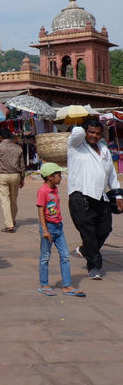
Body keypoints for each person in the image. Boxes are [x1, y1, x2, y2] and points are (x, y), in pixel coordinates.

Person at [67, 118, 123, 279]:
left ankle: (85, 250)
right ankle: (94, 266)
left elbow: (111, 174)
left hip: (101, 197)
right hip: (80, 196)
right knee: (89, 233)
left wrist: (118, 194)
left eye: (98, 133)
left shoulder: (104, 149)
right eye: (91, 132)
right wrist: (83, 123)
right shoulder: (76, 145)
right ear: (85, 132)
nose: (95, 136)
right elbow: (76, 133)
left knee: (106, 228)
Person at [36, 162, 86, 297]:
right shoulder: (43, 191)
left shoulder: (55, 190)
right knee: (45, 257)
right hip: (48, 227)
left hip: (59, 227)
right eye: (58, 175)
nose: (61, 177)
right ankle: (44, 284)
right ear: (50, 177)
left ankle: (67, 285)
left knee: (65, 256)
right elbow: (41, 211)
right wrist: (45, 230)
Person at [0, 129, 25, 233]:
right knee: (13, 199)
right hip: (15, 175)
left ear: (1, 137)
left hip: (2, 175)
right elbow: (22, 165)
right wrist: (22, 178)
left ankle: (9, 224)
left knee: (5, 200)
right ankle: (12, 220)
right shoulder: (18, 148)